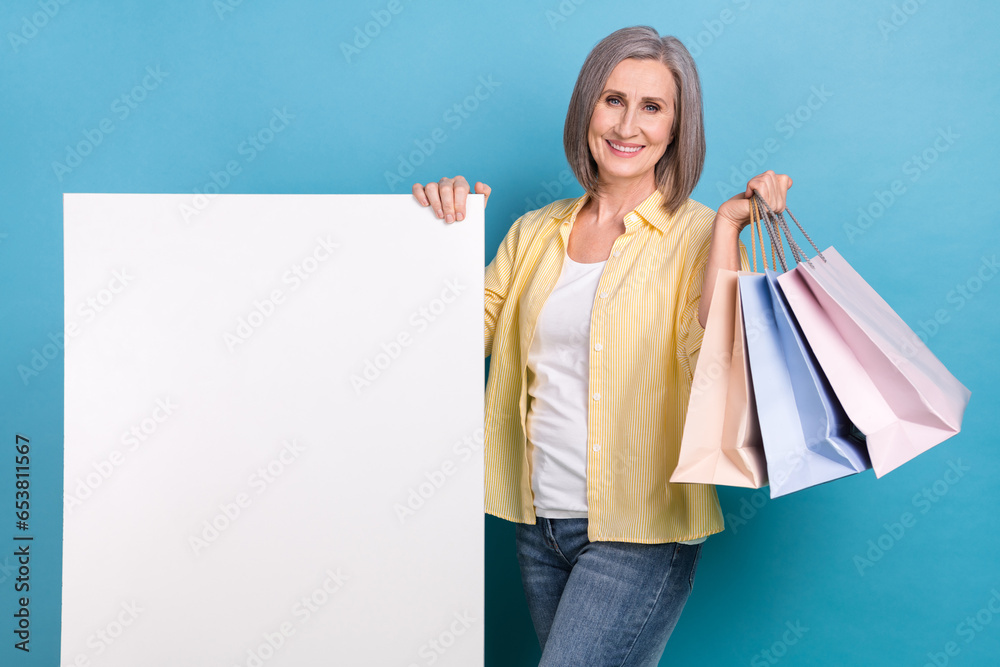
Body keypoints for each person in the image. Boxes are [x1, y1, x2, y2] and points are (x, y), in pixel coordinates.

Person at [413, 25, 791, 666]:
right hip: (538, 524)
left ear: (677, 128)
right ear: (588, 107)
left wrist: (728, 226)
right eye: (613, 99)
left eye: (653, 107)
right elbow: (443, 348)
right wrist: (439, 240)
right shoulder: (536, 233)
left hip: (641, 530)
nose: (628, 125)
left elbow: (712, 366)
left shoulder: (697, 232)